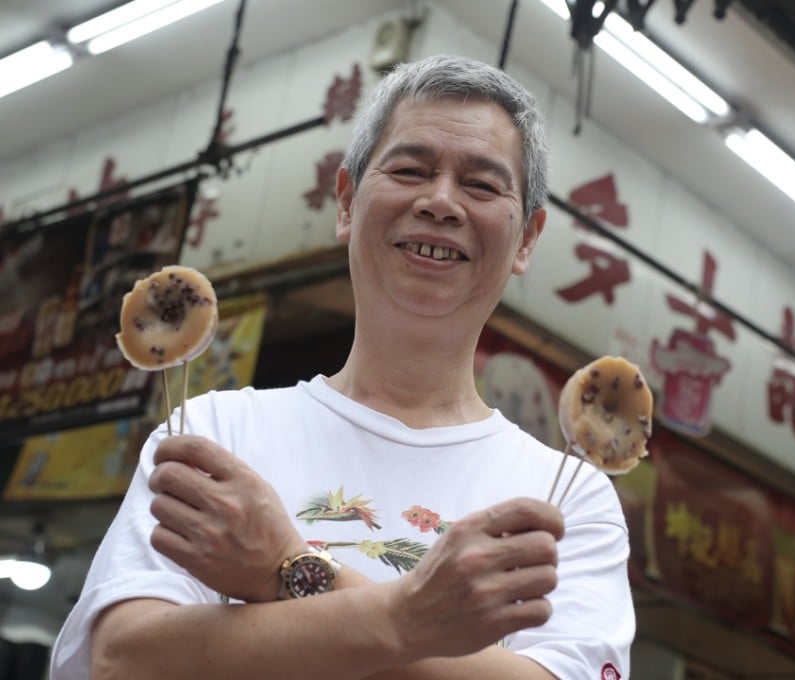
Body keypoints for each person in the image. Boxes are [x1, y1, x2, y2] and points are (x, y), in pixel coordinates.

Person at [50, 54, 634, 679]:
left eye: (483, 185)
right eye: (410, 169)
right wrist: (408, 620)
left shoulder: (567, 497)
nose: (440, 202)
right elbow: (123, 659)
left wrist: (284, 566)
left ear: (526, 240)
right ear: (348, 202)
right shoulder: (215, 433)